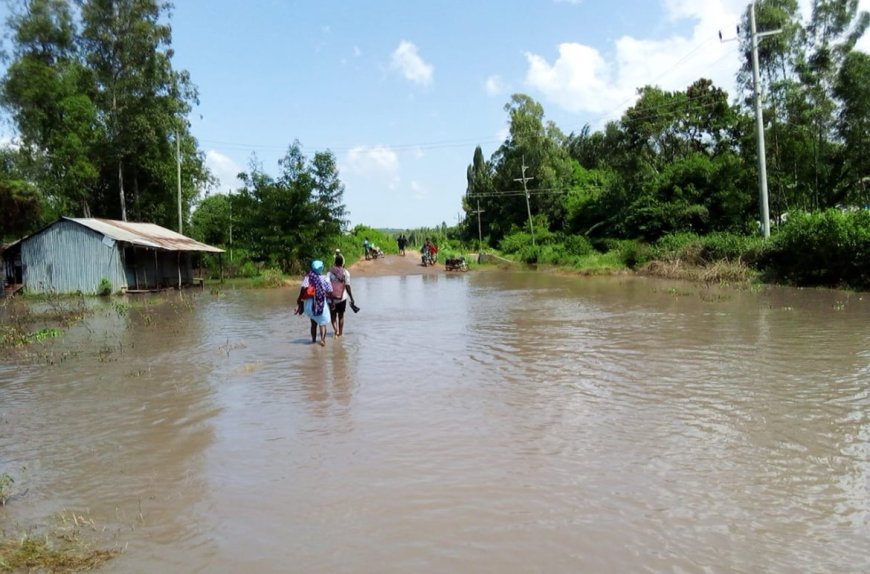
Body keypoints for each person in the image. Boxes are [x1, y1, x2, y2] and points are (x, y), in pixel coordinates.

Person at [297, 259, 333, 346]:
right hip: (321, 303)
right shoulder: (324, 278)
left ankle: (313, 340)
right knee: (322, 323)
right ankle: (322, 340)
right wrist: (331, 301)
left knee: (313, 323)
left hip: (310, 304)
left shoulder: (308, 277)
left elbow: (303, 289)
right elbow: (330, 290)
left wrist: (299, 301)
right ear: (321, 268)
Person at [327, 253, 356, 337]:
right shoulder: (346, 272)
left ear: (335, 262)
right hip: (342, 298)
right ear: (342, 263)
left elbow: (327, 285)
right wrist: (351, 298)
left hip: (331, 299)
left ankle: (335, 330)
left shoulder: (330, 272)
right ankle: (340, 333)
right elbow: (347, 286)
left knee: (333, 315)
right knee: (341, 316)